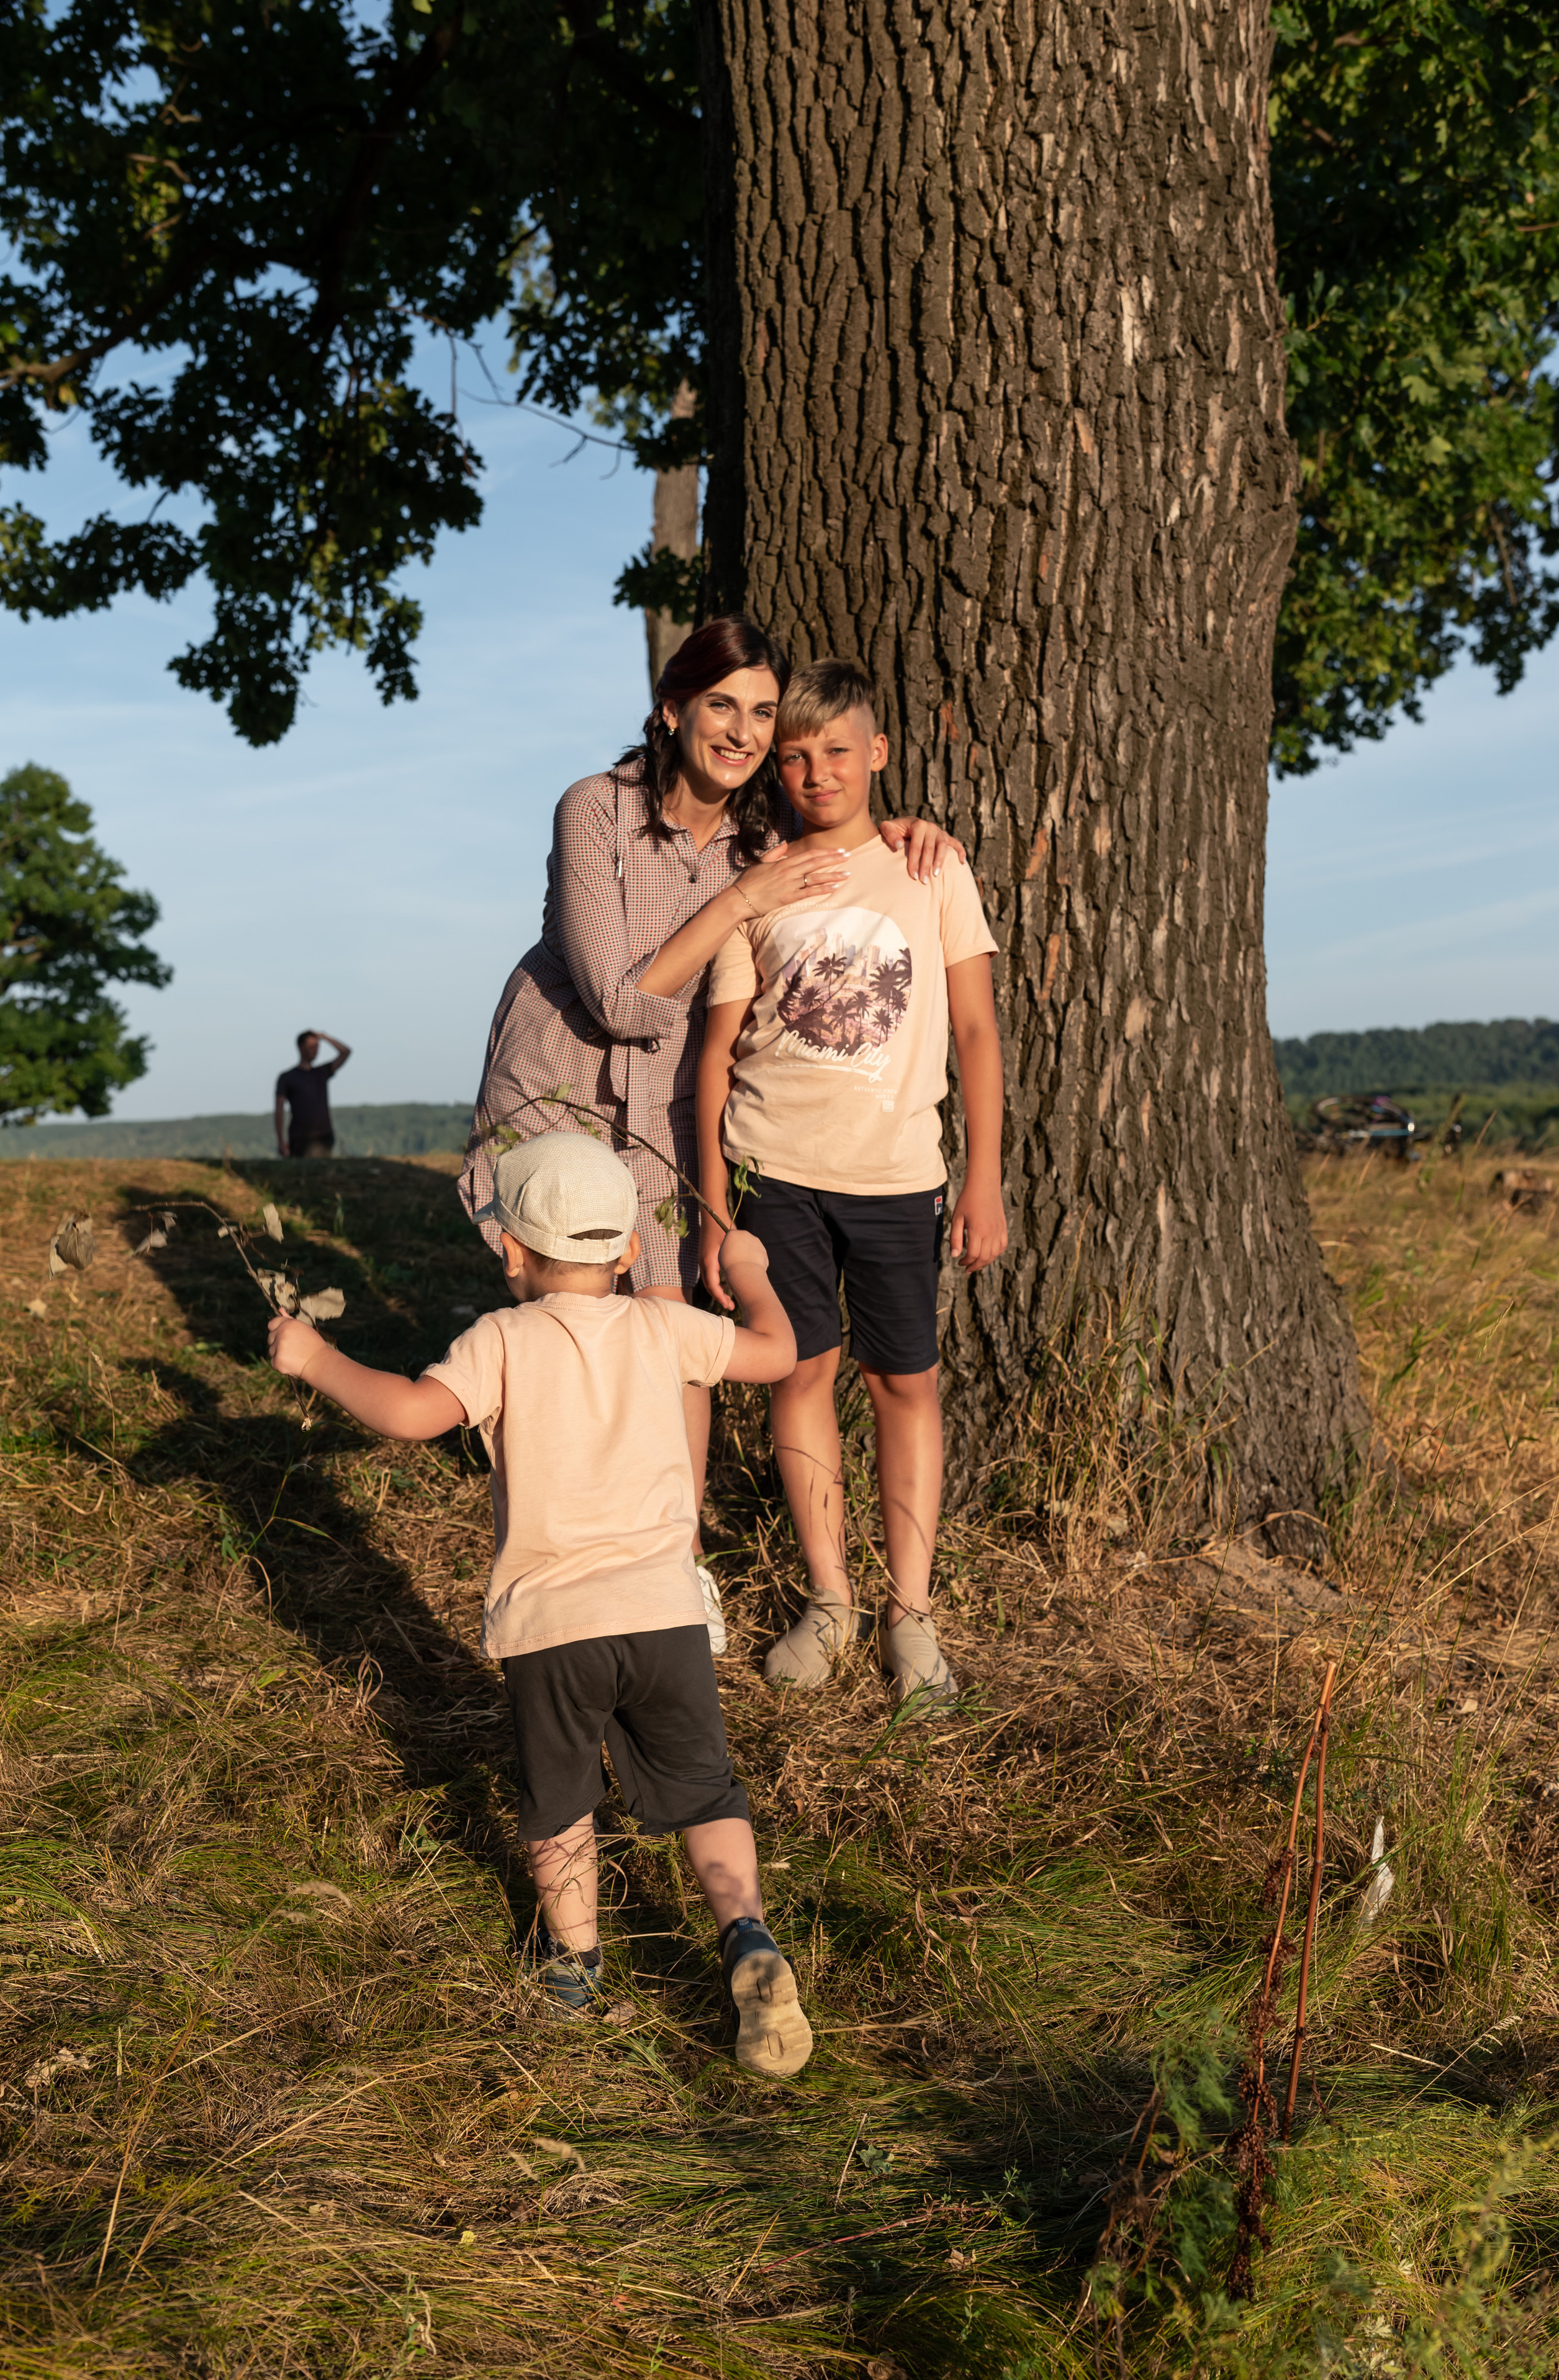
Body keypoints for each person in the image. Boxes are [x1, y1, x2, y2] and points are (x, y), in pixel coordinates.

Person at [458, 617, 962, 1657]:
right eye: (721, 703)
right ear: (672, 708)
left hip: (666, 1110)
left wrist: (920, 832)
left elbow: (846, 841)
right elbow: (619, 998)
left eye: (762, 712)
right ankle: (542, 1572)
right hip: (562, 1088)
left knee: (670, 1328)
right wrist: (743, 897)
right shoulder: (597, 807)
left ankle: (671, 1565)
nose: (742, 730)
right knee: (554, 1335)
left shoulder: (764, 838)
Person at [267, 1130, 814, 2078]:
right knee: (705, 1787)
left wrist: (313, 1357)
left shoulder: (502, 1339)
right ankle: (748, 1937)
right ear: (631, 1250)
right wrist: (751, 1266)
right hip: (664, 1613)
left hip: (553, 1628)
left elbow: (405, 1412)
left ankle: (574, 1970)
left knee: (560, 1800)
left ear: (513, 1253)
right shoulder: (662, 1320)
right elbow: (777, 1352)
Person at [696, 659, 1008, 1703]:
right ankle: (830, 1597)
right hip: (774, 1165)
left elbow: (974, 1028)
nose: (818, 769)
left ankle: (911, 1612)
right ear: (776, 769)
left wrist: (985, 1176)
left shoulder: (932, 869)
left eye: (839, 749)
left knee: (905, 1380)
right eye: (796, 754)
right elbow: (719, 1047)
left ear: (877, 752)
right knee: (801, 1374)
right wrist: (709, 1196)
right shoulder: (763, 880)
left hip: (897, 1176)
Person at [275, 1030, 351, 1158]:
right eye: (311, 1046)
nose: (315, 1050)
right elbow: (279, 1110)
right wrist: (281, 1141)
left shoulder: (322, 1072)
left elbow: (345, 1052)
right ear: (301, 1047)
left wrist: (325, 1037)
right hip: (299, 1138)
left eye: (317, 1047)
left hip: (323, 1137)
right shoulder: (287, 1077)